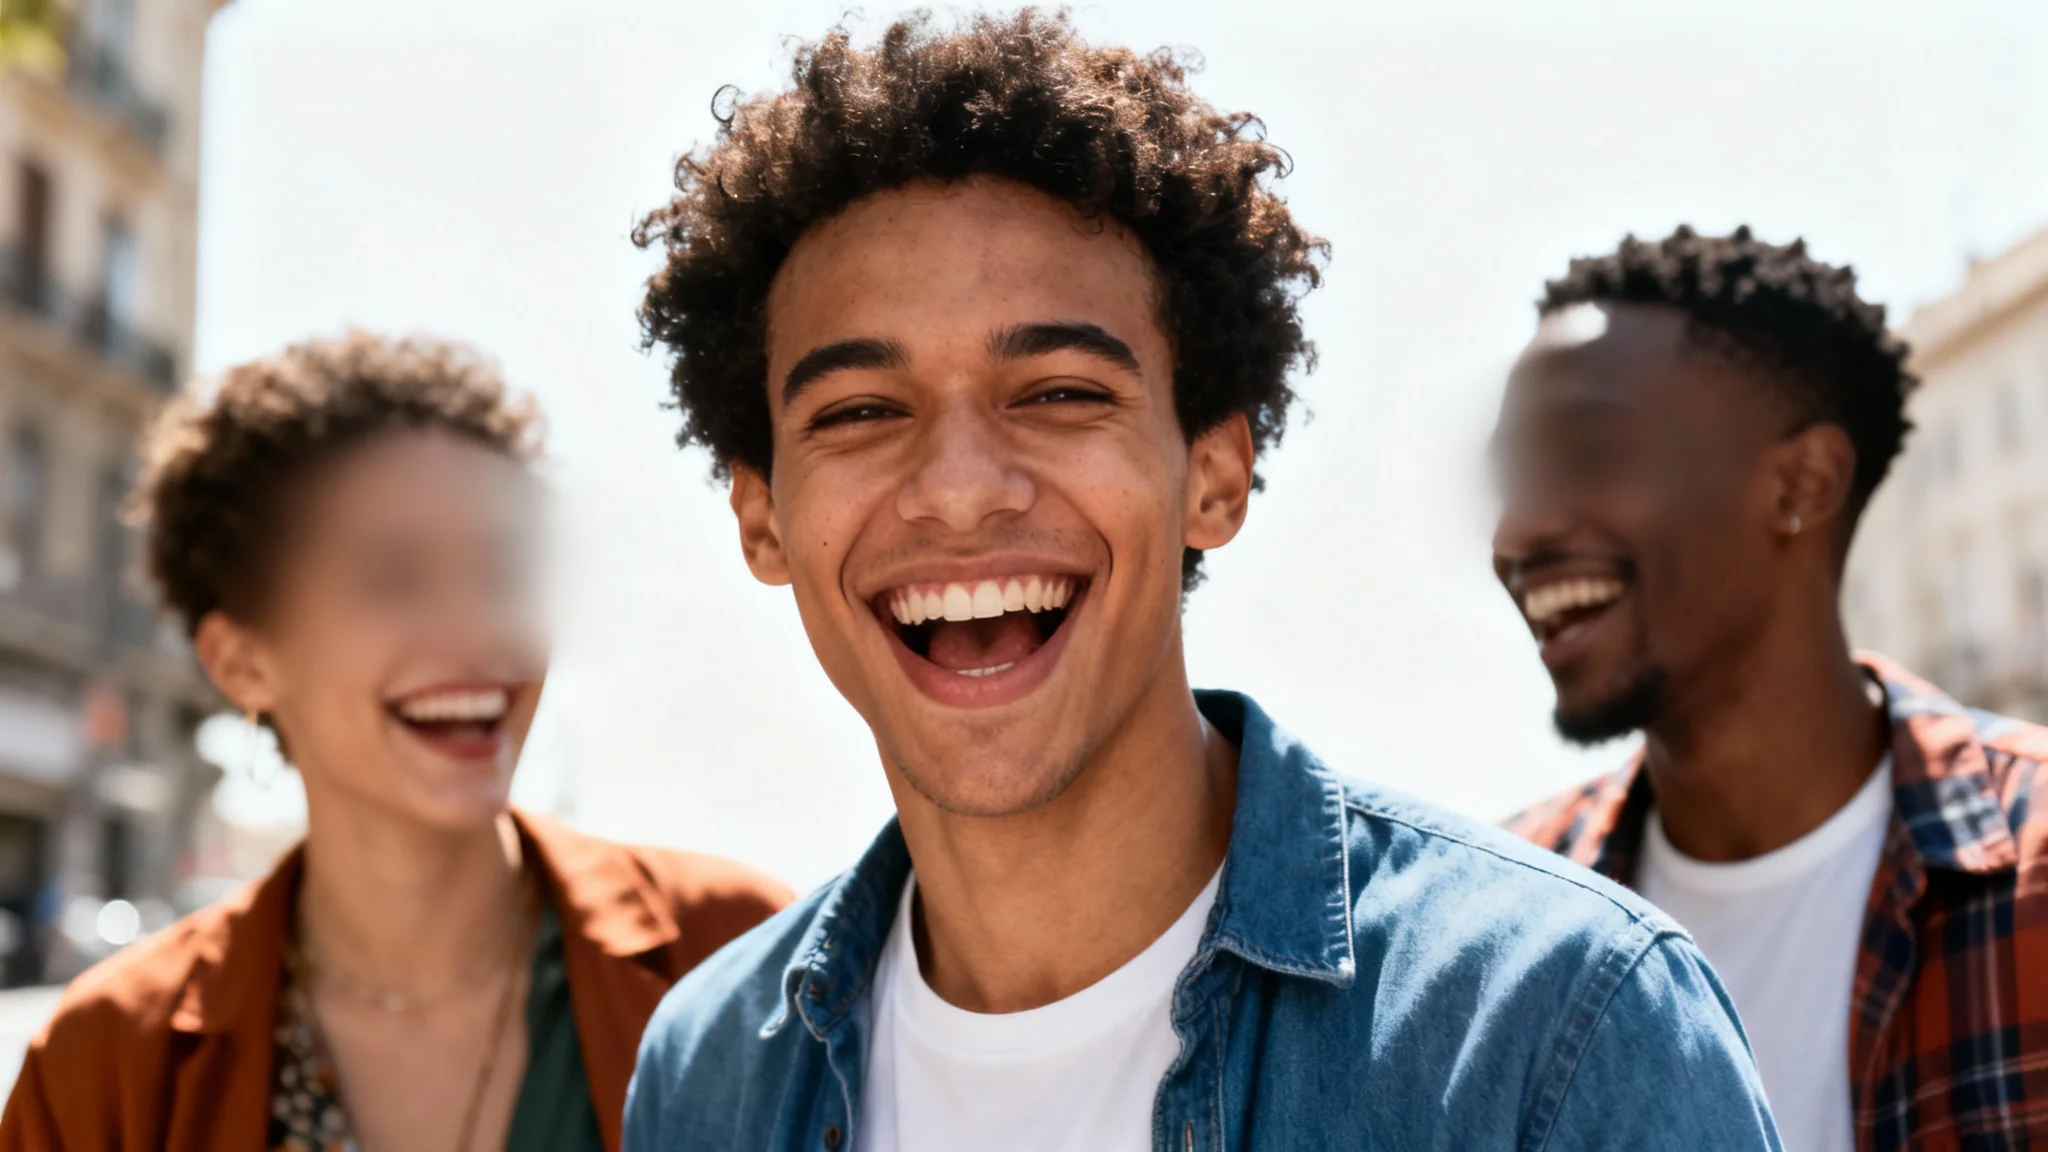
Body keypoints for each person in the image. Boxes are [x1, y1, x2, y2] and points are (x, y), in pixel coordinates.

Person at [622, 13, 1779, 1150]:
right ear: (762, 517)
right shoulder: (709, 1073)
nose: (961, 489)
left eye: (1060, 392)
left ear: (1215, 476)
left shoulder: (1552, 1027)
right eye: (861, 412)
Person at [0, 333, 791, 1152]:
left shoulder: (746, 954)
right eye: (394, 578)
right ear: (242, 662)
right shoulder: (105, 1064)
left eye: (502, 573)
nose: (476, 632)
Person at [1497, 227, 2048, 1150]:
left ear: (1802, 481)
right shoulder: (1502, 926)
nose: (1518, 532)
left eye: (1592, 452)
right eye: (1517, 472)